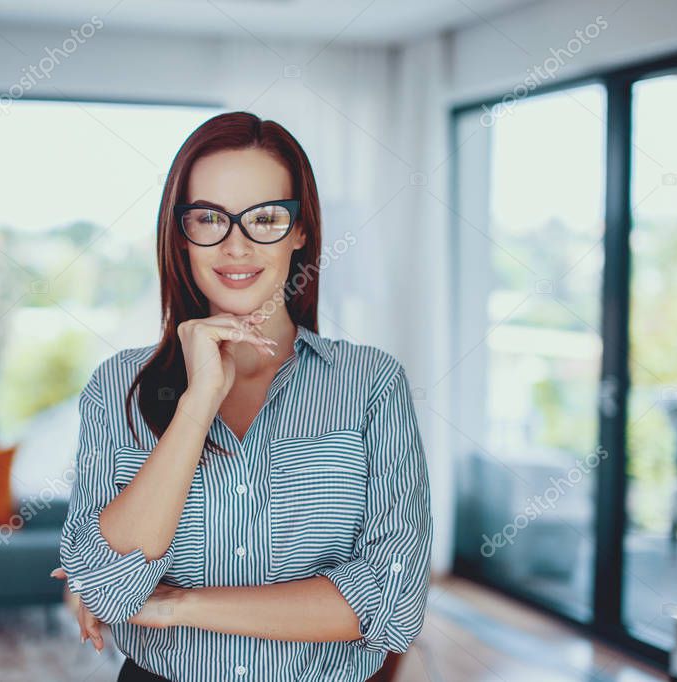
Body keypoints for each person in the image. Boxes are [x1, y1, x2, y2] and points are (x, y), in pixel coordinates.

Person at [49, 110, 433, 681]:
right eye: (209, 219)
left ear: (300, 230)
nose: (236, 245)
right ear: (181, 234)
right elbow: (106, 586)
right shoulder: (118, 389)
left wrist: (180, 606)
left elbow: (394, 602)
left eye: (266, 218)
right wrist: (198, 401)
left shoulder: (371, 384)